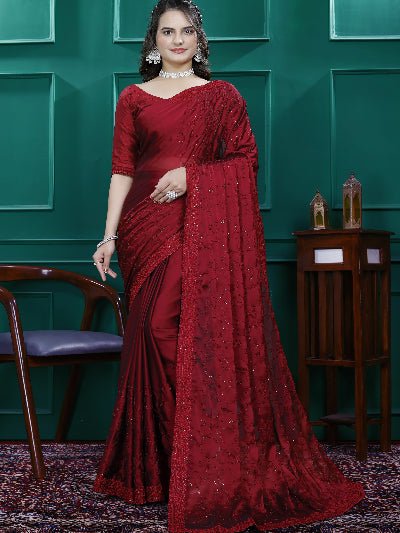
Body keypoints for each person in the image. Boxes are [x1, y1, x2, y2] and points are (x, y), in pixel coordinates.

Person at [92, 1, 365, 531]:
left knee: (174, 331)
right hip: (142, 228)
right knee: (148, 336)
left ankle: (211, 453)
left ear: (199, 39)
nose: (177, 40)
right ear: (153, 41)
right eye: (167, 32)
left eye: (186, 31)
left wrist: (192, 177)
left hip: (193, 225)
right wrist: (108, 234)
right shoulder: (133, 98)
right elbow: (122, 169)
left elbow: (244, 160)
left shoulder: (221, 96)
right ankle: (170, 467)